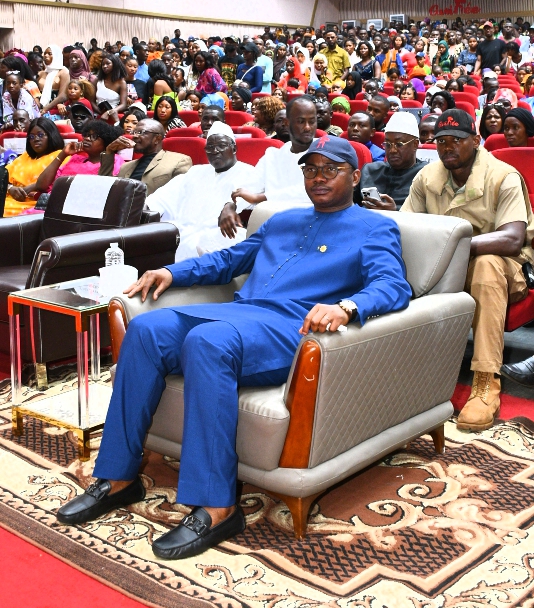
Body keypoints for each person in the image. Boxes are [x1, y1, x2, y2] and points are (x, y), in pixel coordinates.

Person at [56, 136, 411, 560]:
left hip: (288, 329)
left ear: (354, 176)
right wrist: (172, 272)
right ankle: (117, 478)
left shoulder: (375, 227)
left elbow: (393, 286)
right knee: (147, 328)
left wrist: (346, 307)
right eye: (310, 169)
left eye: (330, 169)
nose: (318, 177)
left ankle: (217, 506)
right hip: (241, 314)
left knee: (207, 341)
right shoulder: (281, 220)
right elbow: (229, 260)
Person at [402, 109, 534, 430]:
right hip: (447, 267)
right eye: (441, 141)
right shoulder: (426, 178)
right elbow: (406, 226)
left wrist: (454, 246)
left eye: (457, 141)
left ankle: (486, 383)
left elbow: (513, 239)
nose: (448, 147)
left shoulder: (503, 176)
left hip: (506, 270)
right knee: (401, 259)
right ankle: (405, 369)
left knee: (487, 265)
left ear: (476, 141)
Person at [147, 122, 256, 260]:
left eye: (221, 146)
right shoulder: (196, 171)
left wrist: (231, 205)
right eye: (210, 147)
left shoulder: (249, 172)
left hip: (219, 235)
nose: (215, 150)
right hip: (183, 232)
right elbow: (166, 195)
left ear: (233, 148)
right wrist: (146, 206)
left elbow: (253, 195)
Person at [219, 95, 317, 236]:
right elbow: (249, 188)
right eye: (301, 122)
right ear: (287, 123)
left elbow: (313, 191)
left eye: (312, 122)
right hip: (271, 224)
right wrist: (230, 205)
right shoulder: (272, 156)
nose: (307, 127)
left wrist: (262, 197)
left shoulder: (324, 150)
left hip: (310, 225)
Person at [98, 118, 192, 196]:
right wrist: (109, 152)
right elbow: (104, 189)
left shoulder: (179, 161)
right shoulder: (126, 167)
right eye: (134, 132)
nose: (134, 136)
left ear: (157, 139)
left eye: (140, 132)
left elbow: (181, 196)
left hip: (154, 216)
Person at [31, 121, 123, 196]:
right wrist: (63, 154)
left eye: (94, 137)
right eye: (86, 135)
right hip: (53, 203)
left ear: (107, 141)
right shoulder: (75, 158)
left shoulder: (114, 160)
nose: (87, 138)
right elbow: (41, 185)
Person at [359, 112, 427, 210]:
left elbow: (430, 217)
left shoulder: (425, 174)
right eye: (388, 144)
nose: (392, 150)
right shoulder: (370, 170)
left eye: (399, 144)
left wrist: (394, 213)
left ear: (415, 144)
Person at [3, 118, 64, 217]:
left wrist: (29, 189)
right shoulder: (25, 156)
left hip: (34, 205)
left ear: (51, 135)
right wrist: (10, 188)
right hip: (9, 199)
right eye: (31, 136)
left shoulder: (61, 156)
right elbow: (3, 177)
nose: (35, 139)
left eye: (40, 135)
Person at [38, 45, 70, 113]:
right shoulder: (41, 73)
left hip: (56, 108)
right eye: (45, 54)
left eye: (49, 54)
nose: (46, 56)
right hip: (40, 109)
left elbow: (63, 95)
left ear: (56, 55)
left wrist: (46, 108)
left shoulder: (63, 72)